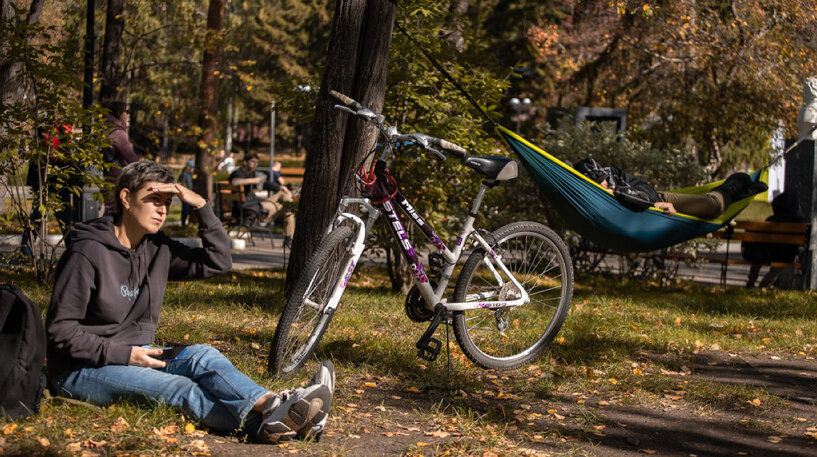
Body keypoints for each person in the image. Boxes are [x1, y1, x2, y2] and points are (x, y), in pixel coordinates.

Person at [46, 161, 333, 443]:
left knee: (202, 356)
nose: (162, 209)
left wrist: (201, 207)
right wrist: (126, 355)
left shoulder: (157, 248)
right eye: (153, 199)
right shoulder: (87, 254)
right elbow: (60, 333)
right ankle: (283, 421)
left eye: (168, 202)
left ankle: (274, 405)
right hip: (81, 369)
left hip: (137, 353)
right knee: (181, 388)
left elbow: (218, 261)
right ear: (125, 198)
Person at [574, 158, 767, 219]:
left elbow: (641, 195)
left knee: (713, 206)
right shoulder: (594, 191)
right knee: (713, 211)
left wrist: (655, 203)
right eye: (601, 182)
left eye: (604, 180)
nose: (605, 184)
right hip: (654, 205)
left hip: (658, 199)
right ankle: (737, 195)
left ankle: (731, 186)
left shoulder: (615, 181)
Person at [742, 191, 808, 288]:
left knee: (758, 253)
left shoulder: (771, 221)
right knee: (780, 261)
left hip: (767, 255)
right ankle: (764, 285)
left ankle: (751, 280)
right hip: (787, 256)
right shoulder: (801, 223)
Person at [229, 152, 295, 248]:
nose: (255, 164)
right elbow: (234, 182)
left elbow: (266, 184)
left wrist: (281, 187)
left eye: (256, 162)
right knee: (287, 207)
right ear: (245, 162)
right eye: (252, 162)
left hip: (255, 205)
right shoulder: (238, 173)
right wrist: (254, 180)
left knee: (284, 197)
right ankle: (288, 239)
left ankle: (288, 238)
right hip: (252, 209)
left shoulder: (250, 174)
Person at [101, 101, 139, 215]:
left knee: (109, 209)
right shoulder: (118, 133)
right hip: (116, 177)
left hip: (104, 175)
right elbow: (132, 158)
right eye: (126, 112)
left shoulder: (103, 129)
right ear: (119, 113)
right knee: (116, 211)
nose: (128, 115)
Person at [178, 160, 195, 226]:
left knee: (190, 209)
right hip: (186, 195)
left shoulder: (192, 175)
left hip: (191, 194)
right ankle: (183, 222)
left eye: (193, 167)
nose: (192, 169)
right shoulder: (184, 174)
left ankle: (189, 222)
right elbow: (181, 184)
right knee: (185, 209)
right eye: (191, 167)